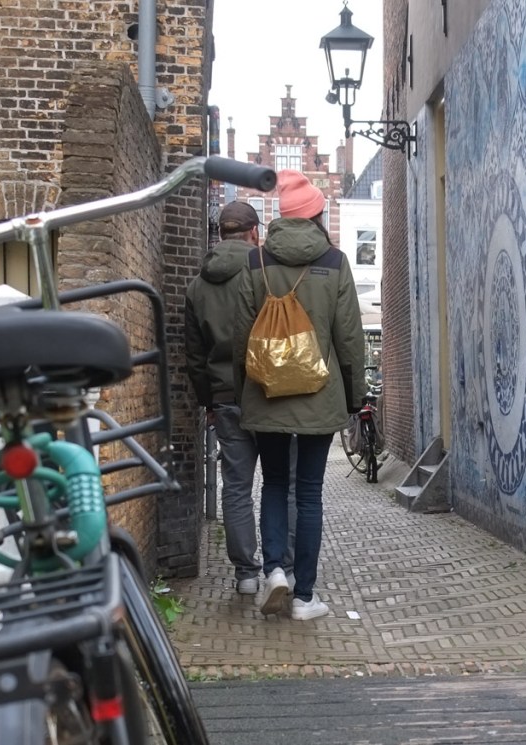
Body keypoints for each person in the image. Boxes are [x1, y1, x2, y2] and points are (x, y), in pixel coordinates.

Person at [233, 170, 365, 621]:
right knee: (308, 494)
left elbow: (240, 337)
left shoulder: (255, 263)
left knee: (272, 484)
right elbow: (349, 338)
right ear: (315, 214)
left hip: (265, 394)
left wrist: (242, 391)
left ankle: (274, 571)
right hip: (319, 393)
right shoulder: (335, 261)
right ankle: (305, 597)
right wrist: (354, 397)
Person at [184, 201, 296, 596]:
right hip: (269, 393)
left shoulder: (198, 286)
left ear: (219, 234)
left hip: (225, 398)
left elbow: (193, 356)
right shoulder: (268, 273)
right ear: (253, 233)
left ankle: (246, 574)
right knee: (281, 482)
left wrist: (208, 402)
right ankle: (282, 566)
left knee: (235, 487)